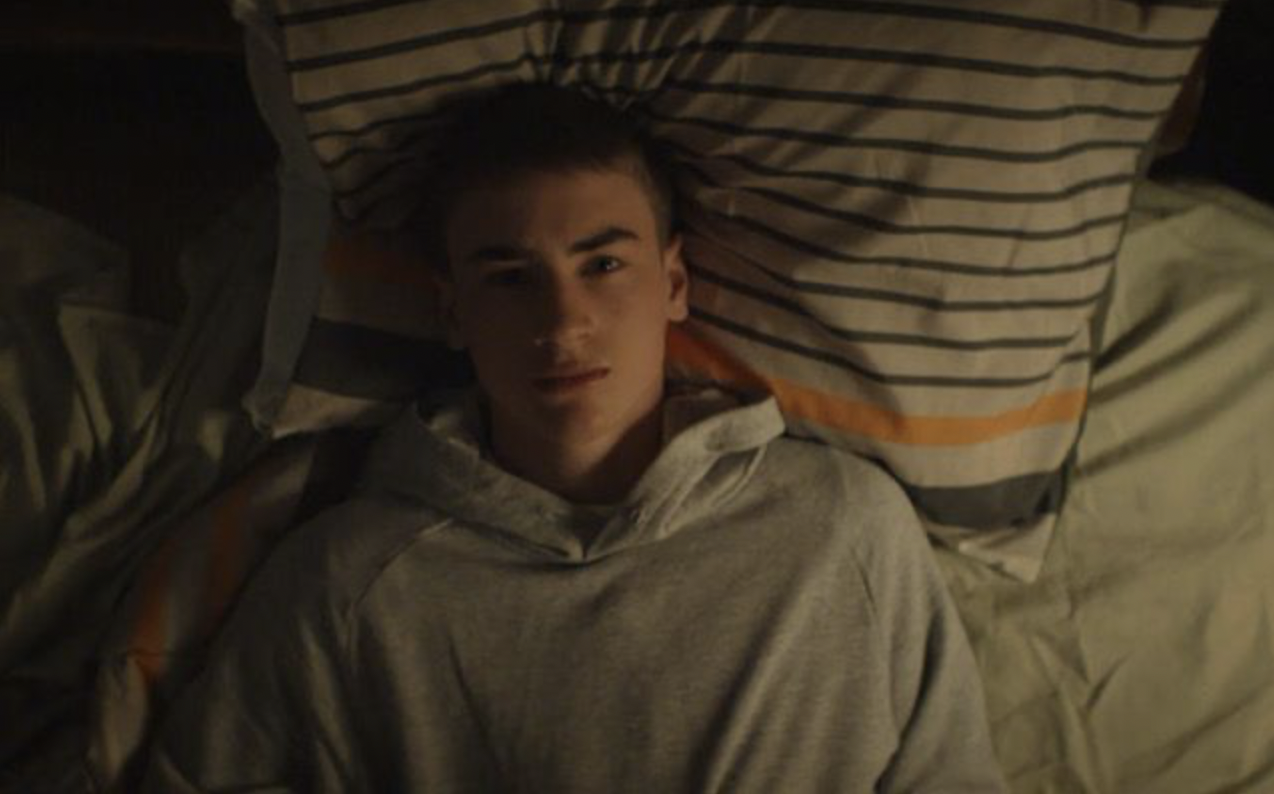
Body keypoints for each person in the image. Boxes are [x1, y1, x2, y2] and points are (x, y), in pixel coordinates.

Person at [144, 83, 1007, 793]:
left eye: (603, 264)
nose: (562, 323)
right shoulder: (349, 580)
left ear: (674, 281)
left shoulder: (845, 530)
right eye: (510, 278)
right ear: (452, 309)